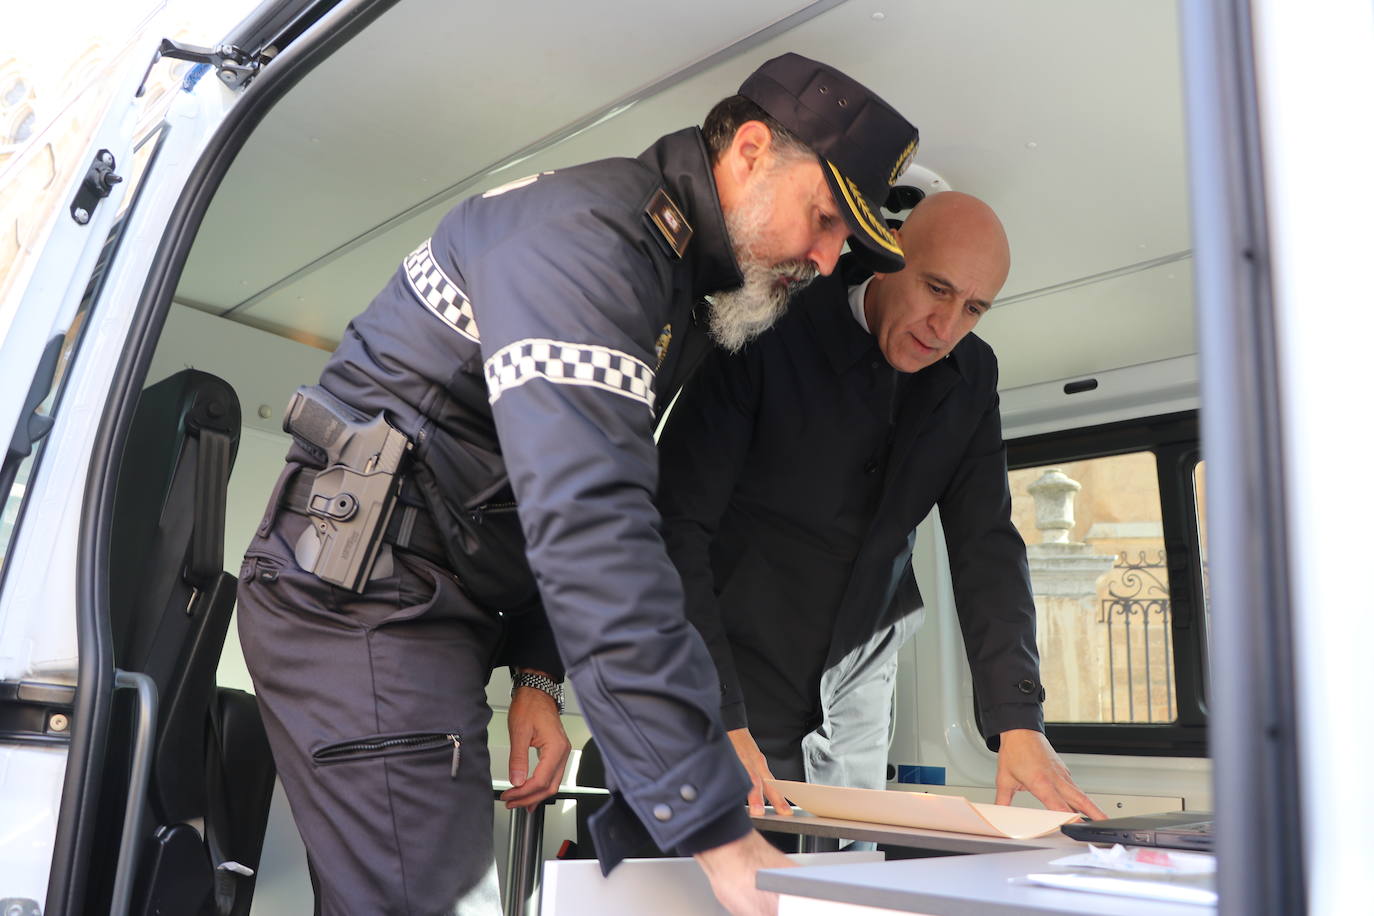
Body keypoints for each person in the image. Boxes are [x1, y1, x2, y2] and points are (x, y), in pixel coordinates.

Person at [234, 53, 920, 916]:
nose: (827, 260)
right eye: (824, 219)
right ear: (750, 150)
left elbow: (535, 484)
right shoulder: (589, 243)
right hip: (356, 602)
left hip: (428, 600)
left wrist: (535, 676)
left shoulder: (672, 281)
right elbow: (591, 529)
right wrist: (712, 823)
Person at [655, 191, 1107, 826]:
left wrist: (1017, 721)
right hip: (730, 672)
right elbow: (676, 527)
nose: (945, 327)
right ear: (888, 254)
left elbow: (987, 547)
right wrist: (712, 709)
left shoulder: (971, 379)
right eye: (936, 289)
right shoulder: (767, 328)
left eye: (973, 308)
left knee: (842, 885)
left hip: (856, 701)